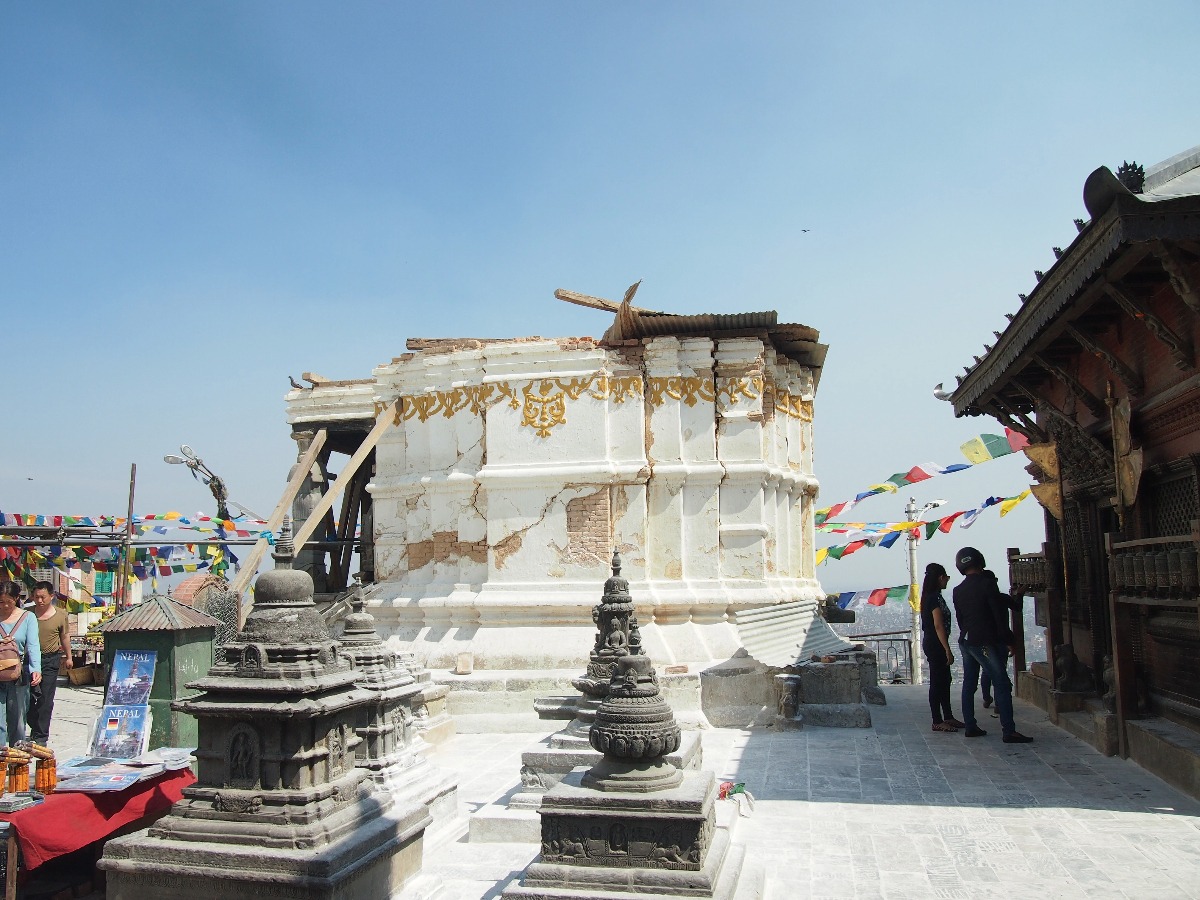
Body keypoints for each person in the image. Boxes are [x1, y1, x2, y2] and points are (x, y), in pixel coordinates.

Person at [952, 547, 1032, 743]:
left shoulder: (958, 590)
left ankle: (970, 725)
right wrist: (1009, 641)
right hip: (984, 641)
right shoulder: (988, 585)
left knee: (969, 684)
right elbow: (998, 616)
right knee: (1002, 683)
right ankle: (1009, 730)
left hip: (966, 640)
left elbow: (961, 619)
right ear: (980, 562)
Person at [920, 562, 965, 732]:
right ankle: (937, 720)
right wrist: (947, 648)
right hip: (935, 643)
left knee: (945, 680)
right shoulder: (933, 598)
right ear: (940, 578)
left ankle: (948, 716)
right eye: (946, 578)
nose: (947, 581)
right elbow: (938, 625)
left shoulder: (932, 596)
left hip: (935, 642)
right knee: (938, 681)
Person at [28, 580, 73, 745]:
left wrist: (69, 657)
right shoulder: (27, 614)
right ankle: (33, 725)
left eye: (43, 597)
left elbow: (65, 636)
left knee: (45, 699)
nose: (39, 601)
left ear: (51, 596)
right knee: (27, 697)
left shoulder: (61, 615)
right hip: (29, 661)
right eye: (36, 597)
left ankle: (41, 735)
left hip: (50, 660)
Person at [0, 582, 42, 746]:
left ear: (16, 598)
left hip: (18, 676)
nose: (4, 606)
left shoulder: (27, 617)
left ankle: (17, 762)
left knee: (17, 721)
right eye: (1, 602)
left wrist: (35, 668)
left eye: (8, 602)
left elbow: (33, 645)